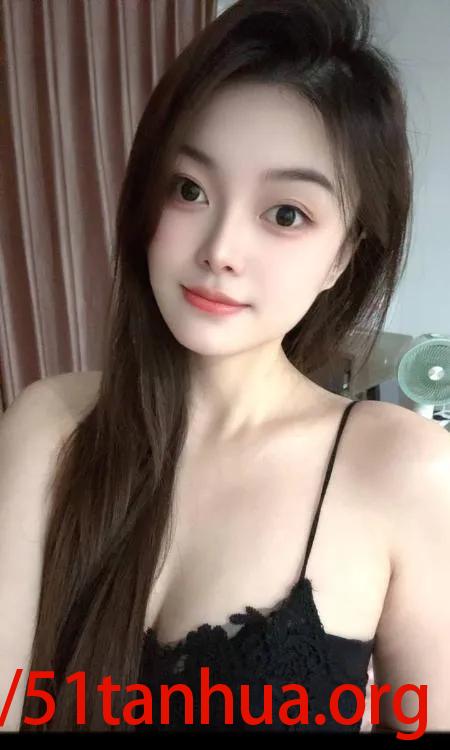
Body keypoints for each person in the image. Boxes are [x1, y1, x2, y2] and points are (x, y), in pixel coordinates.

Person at [1, 0, 449, 735]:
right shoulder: (50, 426)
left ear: (342, 256)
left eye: (285, 214)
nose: (220, 250)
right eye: (190, 189)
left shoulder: (404, 470)